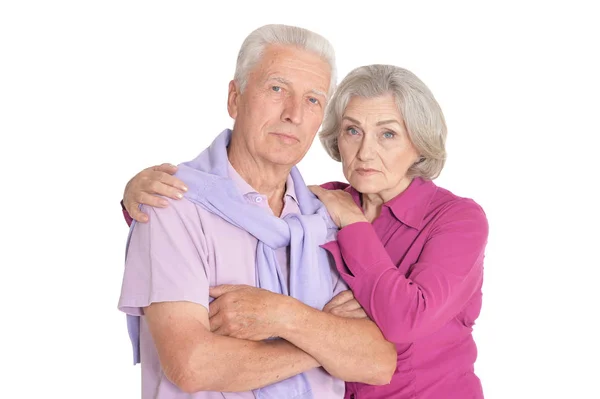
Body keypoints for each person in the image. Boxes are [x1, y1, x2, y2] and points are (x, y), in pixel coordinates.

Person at [124, 62, 490, 399]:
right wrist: (142, 200)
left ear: (419, 144)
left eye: (388, 134)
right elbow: (238, 211)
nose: (365, 152)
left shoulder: (458, 219)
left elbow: (405, 319)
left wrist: (355, 228)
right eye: (352, 131)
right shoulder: (321, 204)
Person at [117, 24, 397, 399]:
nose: (294, 114)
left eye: (313, 100)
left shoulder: (327, 218)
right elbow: (193, 364)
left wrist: (282, 315)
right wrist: (326, 341)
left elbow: (377, 361)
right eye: (277, 89)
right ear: (235, 98)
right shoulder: (171, 205)